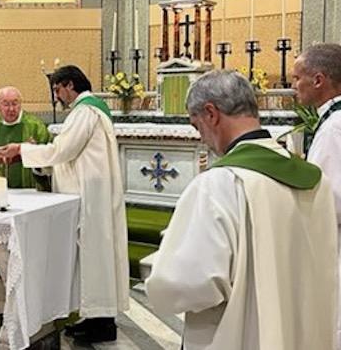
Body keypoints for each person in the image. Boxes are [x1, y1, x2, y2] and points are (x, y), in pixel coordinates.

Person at [146, 70, 337, 350]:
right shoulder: (317, 181)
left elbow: (189, 284)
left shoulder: (220, 183)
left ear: (211, 113)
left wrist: (161, 276)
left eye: (197, 126)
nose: (202, 139)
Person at [0, 67, 129, 343]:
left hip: (90, 197)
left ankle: (102, 323)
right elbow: (70, 157)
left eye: (57, 89)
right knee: (93, 258)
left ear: (69, 85)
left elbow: (62, 151)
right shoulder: (91, 110)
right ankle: (94, 317)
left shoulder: (85, 111)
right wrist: (37, 161)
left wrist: (22, 150)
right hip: (91, 192)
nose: (57, 96)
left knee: (94, 256)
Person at [0, 86, 51, 313]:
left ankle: (29, 298)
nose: (11, 108)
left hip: (28, 196)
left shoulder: (35, 126)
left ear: (21, 102)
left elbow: (49, 158)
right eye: (6, 104)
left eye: (15, 103)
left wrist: (33, 154)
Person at [293, 42, 341, 348]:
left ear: (319, 80)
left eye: (298, 77)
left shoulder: (334, 127)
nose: (294, 85)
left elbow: (330, 199)